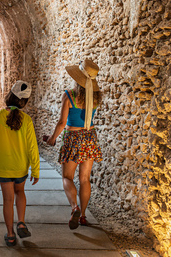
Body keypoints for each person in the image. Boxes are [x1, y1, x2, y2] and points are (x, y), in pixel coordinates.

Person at [45, 59, 103, 230]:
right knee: (85, 179)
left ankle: (74, 208)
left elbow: (62, 122)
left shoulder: (69, 95)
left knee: (67, 177)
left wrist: (52, 138)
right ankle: (83, 216)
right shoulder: (96, 97)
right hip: (90, 137)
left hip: (73, 137)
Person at [0, 80, 40, 246]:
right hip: (21, 166)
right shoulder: (27, 120)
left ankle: (10, 234)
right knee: (20, 193)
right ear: (24, 102)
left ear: (9, 96)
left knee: (8, 199)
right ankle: (21, 222)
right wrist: (35, 170)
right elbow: (32, 148)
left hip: (3, 167)